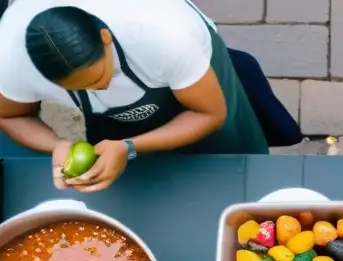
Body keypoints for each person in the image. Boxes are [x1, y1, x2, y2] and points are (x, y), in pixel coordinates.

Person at [0, 0, 283, 192]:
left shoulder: (166, 36)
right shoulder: (10, 59)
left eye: (99, 78)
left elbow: (209, 114)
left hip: (191, 78)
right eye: (77, 89)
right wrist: (55, 145)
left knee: (233, 166)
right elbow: (9, 115)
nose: (101, 91)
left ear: (105, 38)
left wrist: (129, 147)